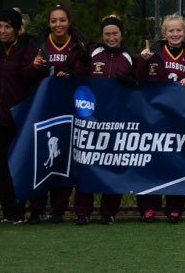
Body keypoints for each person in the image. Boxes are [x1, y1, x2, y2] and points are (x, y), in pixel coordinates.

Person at [73, 15, 139, 225]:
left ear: (121, 35)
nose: (111, 38)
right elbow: (80, 79)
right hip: (91, 119)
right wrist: (82, 63)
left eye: (115, 34)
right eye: (107, 34)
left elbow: (140, 81)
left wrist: (131, 81)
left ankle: (108, 212)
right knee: (87, 162)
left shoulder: (130, 56)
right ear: (102, 35)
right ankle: (83, 212)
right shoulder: (93, 52)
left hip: (118, 119)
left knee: (114, 163)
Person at [27, 4, 88, 224]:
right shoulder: (37, 45)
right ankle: (36, 208)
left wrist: (73, 71)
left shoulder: (80, 45)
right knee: (41, 158)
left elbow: (86, 74)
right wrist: (35, 68)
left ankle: (59, 209)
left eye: (62, 20)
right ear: (49, 23)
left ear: (69, 21)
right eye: (54, 20)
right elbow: (24, 76)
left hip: (69, 111)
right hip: (42, 110)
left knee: (64, 158)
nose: (58, 24)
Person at [136, 14, 185, 223]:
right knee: (151, 160)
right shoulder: (151, 52)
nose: (175, 34)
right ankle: (149, 206)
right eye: (171, 30)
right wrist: (142, 62)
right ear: (164, 33)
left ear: (184, 31)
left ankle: (175, 206)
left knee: (177, 161)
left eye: (179, 30)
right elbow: (136, 78)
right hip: (154, 114)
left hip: (180, 115)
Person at [0, 8, 37, 224]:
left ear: (16, 29)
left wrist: (35, 68)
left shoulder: (27, 47)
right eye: (0, 26)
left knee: (17, 166)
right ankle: (8, 212)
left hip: (16, 119)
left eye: (8, 27)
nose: (3, 31)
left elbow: (30, 74)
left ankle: (19, 209)